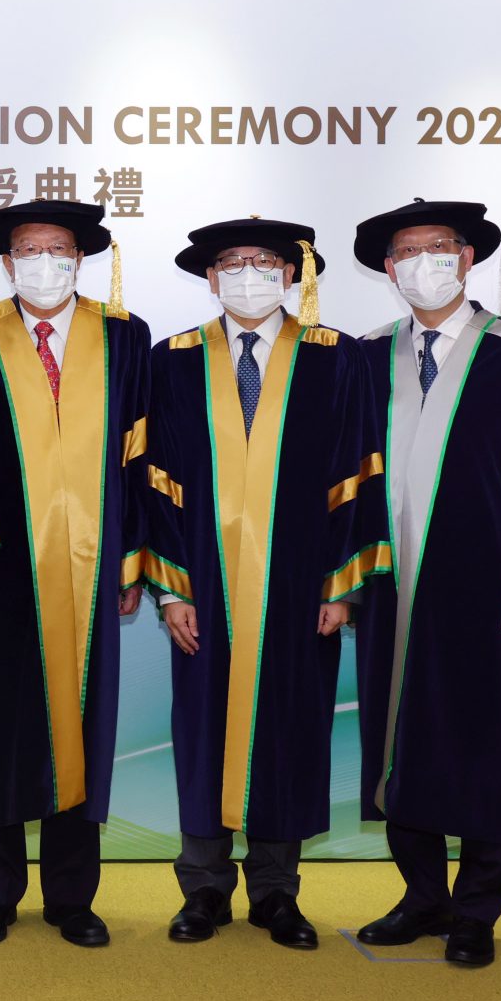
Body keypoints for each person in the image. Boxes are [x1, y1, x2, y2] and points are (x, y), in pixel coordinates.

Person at [345, 199, 501, 968]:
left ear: (466, 258)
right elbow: (343, 478)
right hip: (389, 586)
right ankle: (422, 894)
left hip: (489, 587)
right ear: (390, 270)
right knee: (396, 741)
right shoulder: (367, 355)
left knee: (482, 744)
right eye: (408, 251)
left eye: (439, 247)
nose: (424, 261)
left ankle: (478, 908)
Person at [138, 218, 388, 950]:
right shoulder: (175, 360)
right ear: (211, 278)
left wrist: (341, 585)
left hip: (299, 583)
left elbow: (358, 474)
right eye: (231, 263)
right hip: (206, 585)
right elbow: (158, 481)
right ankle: (204, 888)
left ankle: (278, 892)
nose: (249, 274)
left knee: (290, 726)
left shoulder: (336, 358)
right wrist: (173, 590)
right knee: (203, 726)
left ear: (292, 272)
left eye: (264, 261)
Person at [0, 200, 150, 949]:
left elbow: (138, 456)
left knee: (84, 726)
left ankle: (71, 895)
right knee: (0, 725)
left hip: (94, 571)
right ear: (5, 261)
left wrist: (132, 559)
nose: (43, 261)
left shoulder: (124, 336)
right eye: (28, 249)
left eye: (57, 248)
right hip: (3, 566)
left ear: (80, 257)